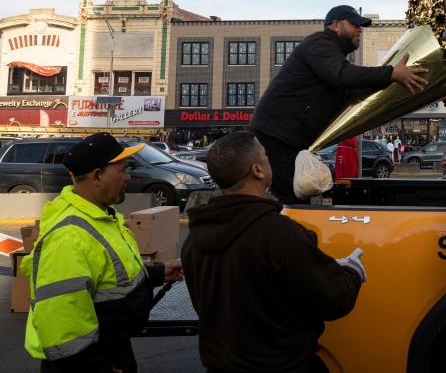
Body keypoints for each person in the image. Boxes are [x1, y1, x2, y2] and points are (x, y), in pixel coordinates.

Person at [182, 131, 366, 373]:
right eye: (266, 155)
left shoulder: (194, 239)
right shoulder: (280, 234)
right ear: (257, 170)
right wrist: (352, 271)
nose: (271, 160)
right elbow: (333, 299)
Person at [21, 132, 183, 372]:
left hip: (113, 350)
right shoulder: (68, 237)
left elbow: (110, 277)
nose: (128, 177)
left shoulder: (102, 216)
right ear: (97, 176)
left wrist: (158, 273)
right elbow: (65, 331)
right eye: (122, 170)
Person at [250, 5, 429, 203]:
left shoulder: (331, 55)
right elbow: (341, 75)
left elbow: (352, 90)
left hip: (287, 137)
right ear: (335, 25)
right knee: (294, 197)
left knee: (297, 196)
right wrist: (391, 73)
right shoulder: (320, 43)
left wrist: (392, 80)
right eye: (354, 24)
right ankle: (288, 232)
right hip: (278, 135)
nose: (360, 29)